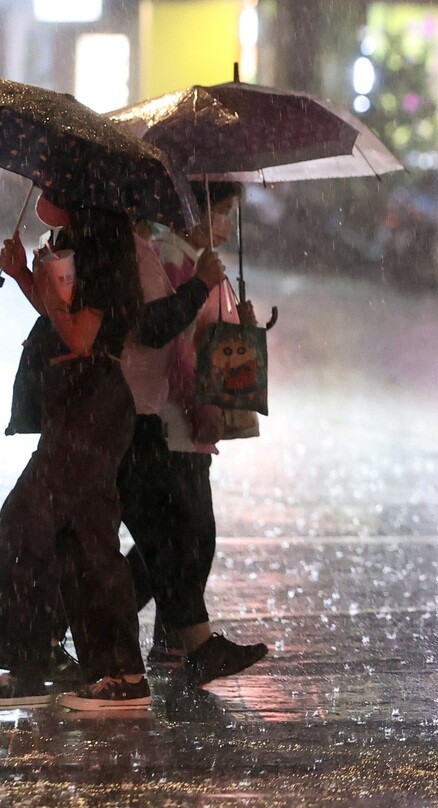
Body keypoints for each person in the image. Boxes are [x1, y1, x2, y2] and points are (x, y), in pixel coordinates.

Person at [0, 202, 150, 710]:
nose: (42, 188)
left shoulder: (104, 248)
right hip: (75, 401)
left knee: (23, 523)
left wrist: (43, 283)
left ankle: (32, 661)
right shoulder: (77, 244)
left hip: (92, 402)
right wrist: (25, 275)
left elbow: (82, 335)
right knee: (85, 540)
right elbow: (58, 318)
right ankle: (114, 672)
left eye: (52, 177)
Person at [116, 199, 269, 685]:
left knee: (171, 542)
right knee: (182, 539)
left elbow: (204, 336)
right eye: (219, 209)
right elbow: (176, 347)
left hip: (176, 422)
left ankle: (176, 639)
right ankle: (170, 639)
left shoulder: (192, 263)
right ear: (191, 207)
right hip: (172, 423)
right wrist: (200, 409)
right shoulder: (173, 259)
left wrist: (239, 323)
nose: (224, 222)